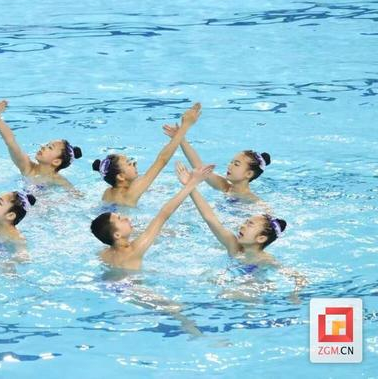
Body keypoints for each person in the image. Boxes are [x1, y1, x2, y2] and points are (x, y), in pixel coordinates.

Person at [174, 162, 305, 301]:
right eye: (245, 222)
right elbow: (210, 218)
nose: (242, 226)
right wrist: (190, 186)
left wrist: (295, 294)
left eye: (250, 225)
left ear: (261, 238)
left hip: (254, 287)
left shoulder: (266, 260)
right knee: (206, 277)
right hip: (235, 279)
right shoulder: (233, 245)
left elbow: (299, 277)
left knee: (229, 294)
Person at [90, 164, 215, 270]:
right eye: (120, 219)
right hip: (134, 288)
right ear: (117, 235)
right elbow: (163, 215)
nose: (126, 218)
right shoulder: (134, 251)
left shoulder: (104, 254)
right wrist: (192, 183)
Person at [92, 103, 201, 207]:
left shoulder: (107, 193)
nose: (134, 163)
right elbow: (162, 160)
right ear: (120, 177)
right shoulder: (130, 194)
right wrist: (185, 126)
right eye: (129, 163)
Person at [0, 92, 82, 190]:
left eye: (50, 147)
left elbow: (78, 197)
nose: (42, 146)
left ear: (56, 161)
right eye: (46, 145)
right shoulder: (27, 167)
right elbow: (10, 141)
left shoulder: (61, 181)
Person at [163, 123, 270, 202]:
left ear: (249, 174)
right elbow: (199, 166)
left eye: (236, 164)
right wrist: (181, 139)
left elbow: (267, 219)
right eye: (231, 162)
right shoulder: (224, 186)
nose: (229, 166)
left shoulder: (253, 201)